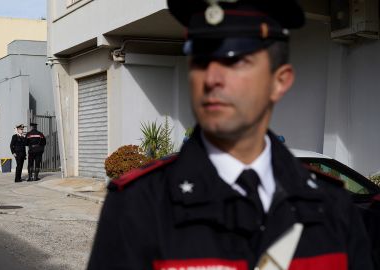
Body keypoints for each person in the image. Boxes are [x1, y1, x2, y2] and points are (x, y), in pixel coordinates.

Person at [87, 0, 374, 269]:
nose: (211, 78)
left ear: (279, 81)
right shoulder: (139, 205)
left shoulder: (332, 206)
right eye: (200, 60)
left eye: (236, 61)